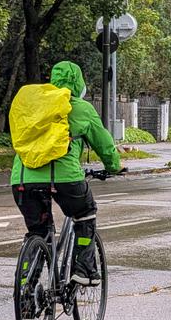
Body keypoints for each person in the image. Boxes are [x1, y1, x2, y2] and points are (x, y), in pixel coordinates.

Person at [11, 61, 122, 286]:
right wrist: (114, 167)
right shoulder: (80, 108)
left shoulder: (35, 106)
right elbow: (104, 144)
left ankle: (26, 288)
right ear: (78, 83)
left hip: (22, 179)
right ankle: (84, 269)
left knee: (38, 232)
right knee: (85, 212)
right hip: (65, 179)